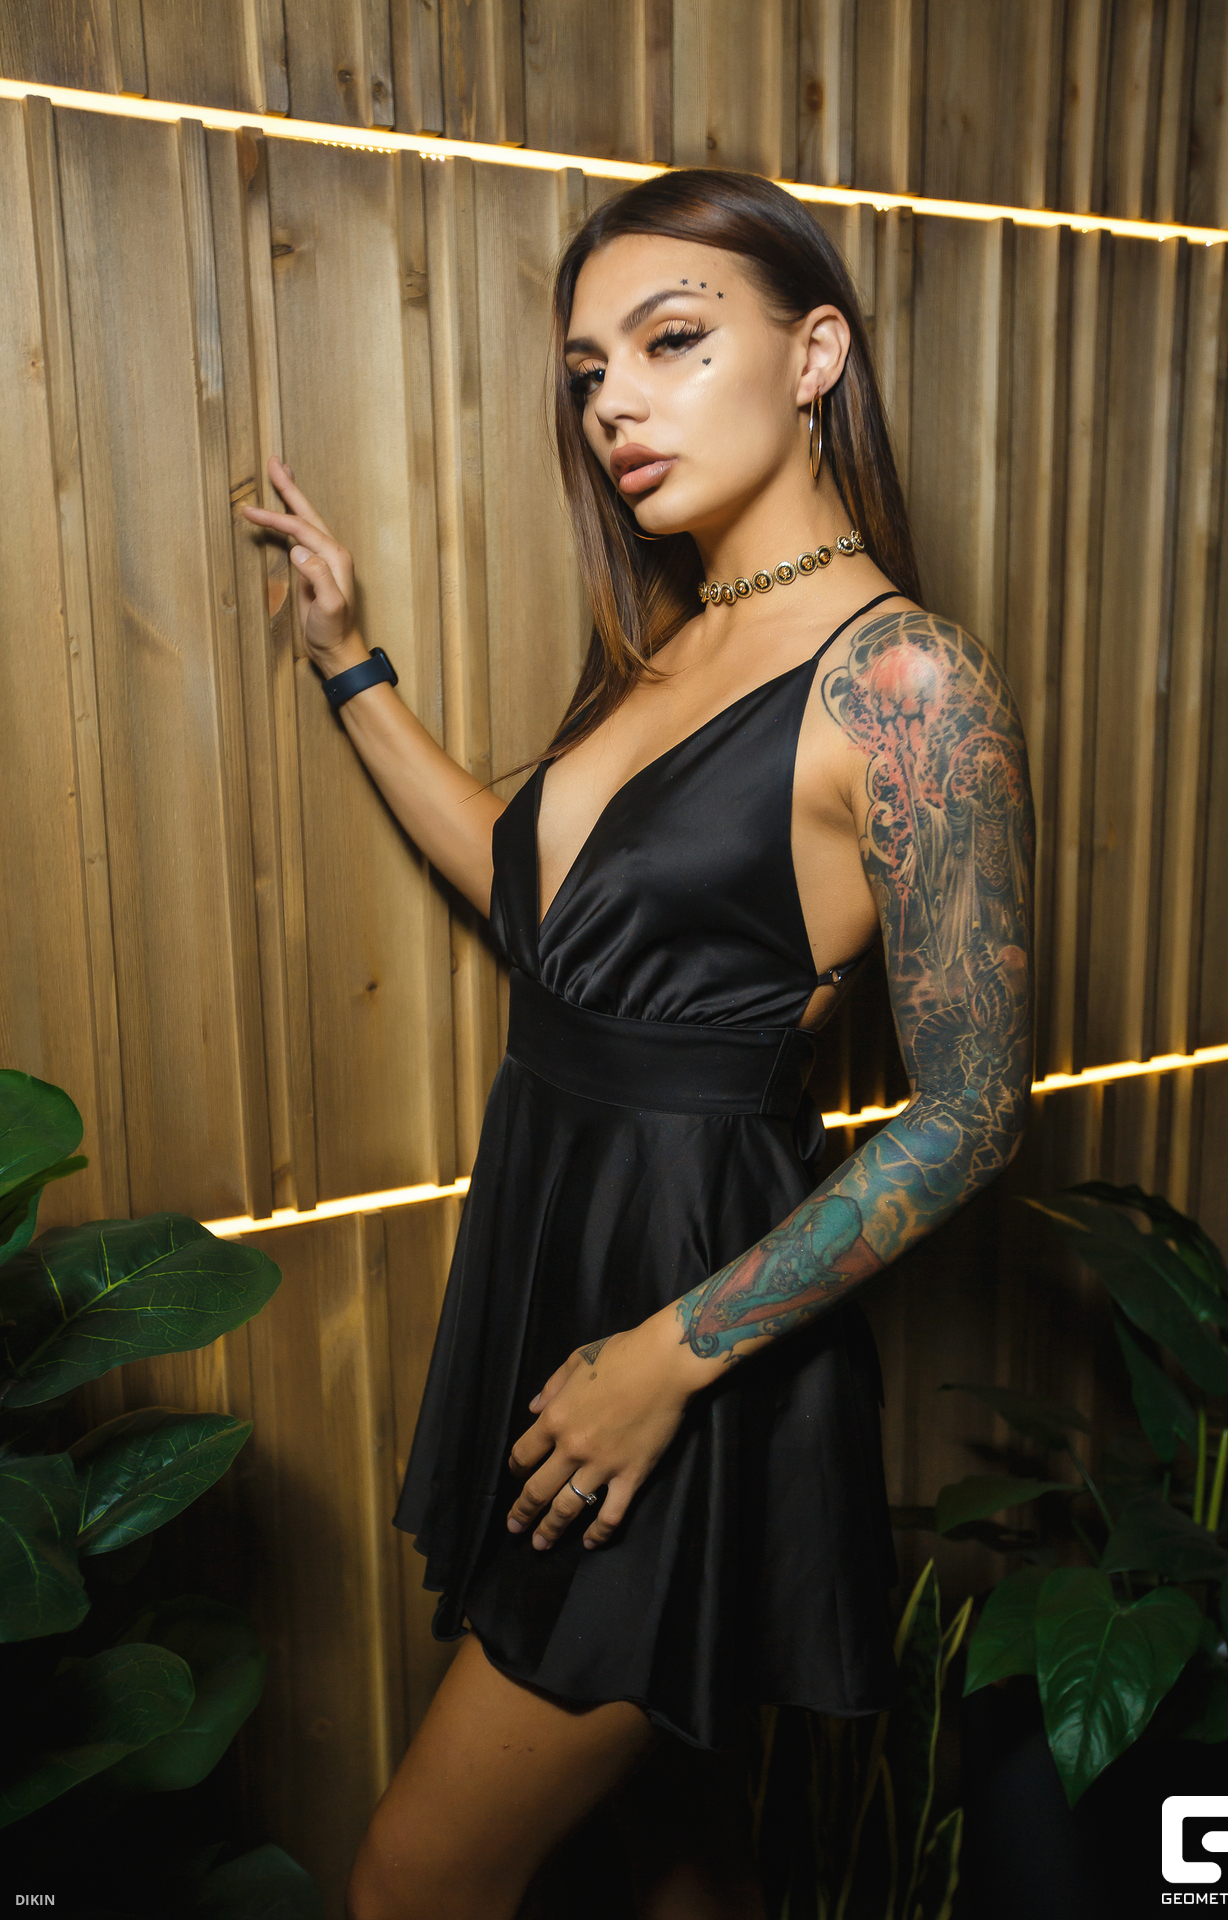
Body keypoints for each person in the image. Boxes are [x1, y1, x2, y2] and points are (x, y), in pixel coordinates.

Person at [240, 167, 1034, 1920]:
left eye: (673, 342)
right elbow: (544, 915)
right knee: (669, 1857)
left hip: (689, 1324)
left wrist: (668, 1360)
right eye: (590, 369)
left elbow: (976, 1112)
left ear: (815, 355)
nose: (616, 403)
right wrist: (353, 666)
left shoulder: (902, 681)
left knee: (410, 1886)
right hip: (560, 1263)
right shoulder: (674, 644)